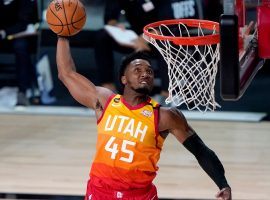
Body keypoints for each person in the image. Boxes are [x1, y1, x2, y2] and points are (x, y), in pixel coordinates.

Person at [56, 36, 232, 199]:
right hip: (100, 192)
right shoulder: (105, 101)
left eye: (149, 71)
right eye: (137, 70)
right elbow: (66, 73)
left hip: (139, 195)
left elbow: (201, 151)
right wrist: (62, 35)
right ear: (124, 79)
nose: (145, 74)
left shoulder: (165, 116)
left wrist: (223, 184)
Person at [94, 0, 222, 105]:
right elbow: (110, 16)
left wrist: (145, 38)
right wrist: (116, 26)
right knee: (102, 35)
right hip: (134, 38)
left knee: (163, 41)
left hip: (164, 35)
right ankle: (108, 89)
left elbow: (166, 25)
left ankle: (166, 94)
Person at [0, 0, 39, 105]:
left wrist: (4, 32)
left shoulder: (23, 2)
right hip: (2, 35)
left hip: (18, 35)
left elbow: (23, 24)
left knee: (20, 47)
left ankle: (22, 91)